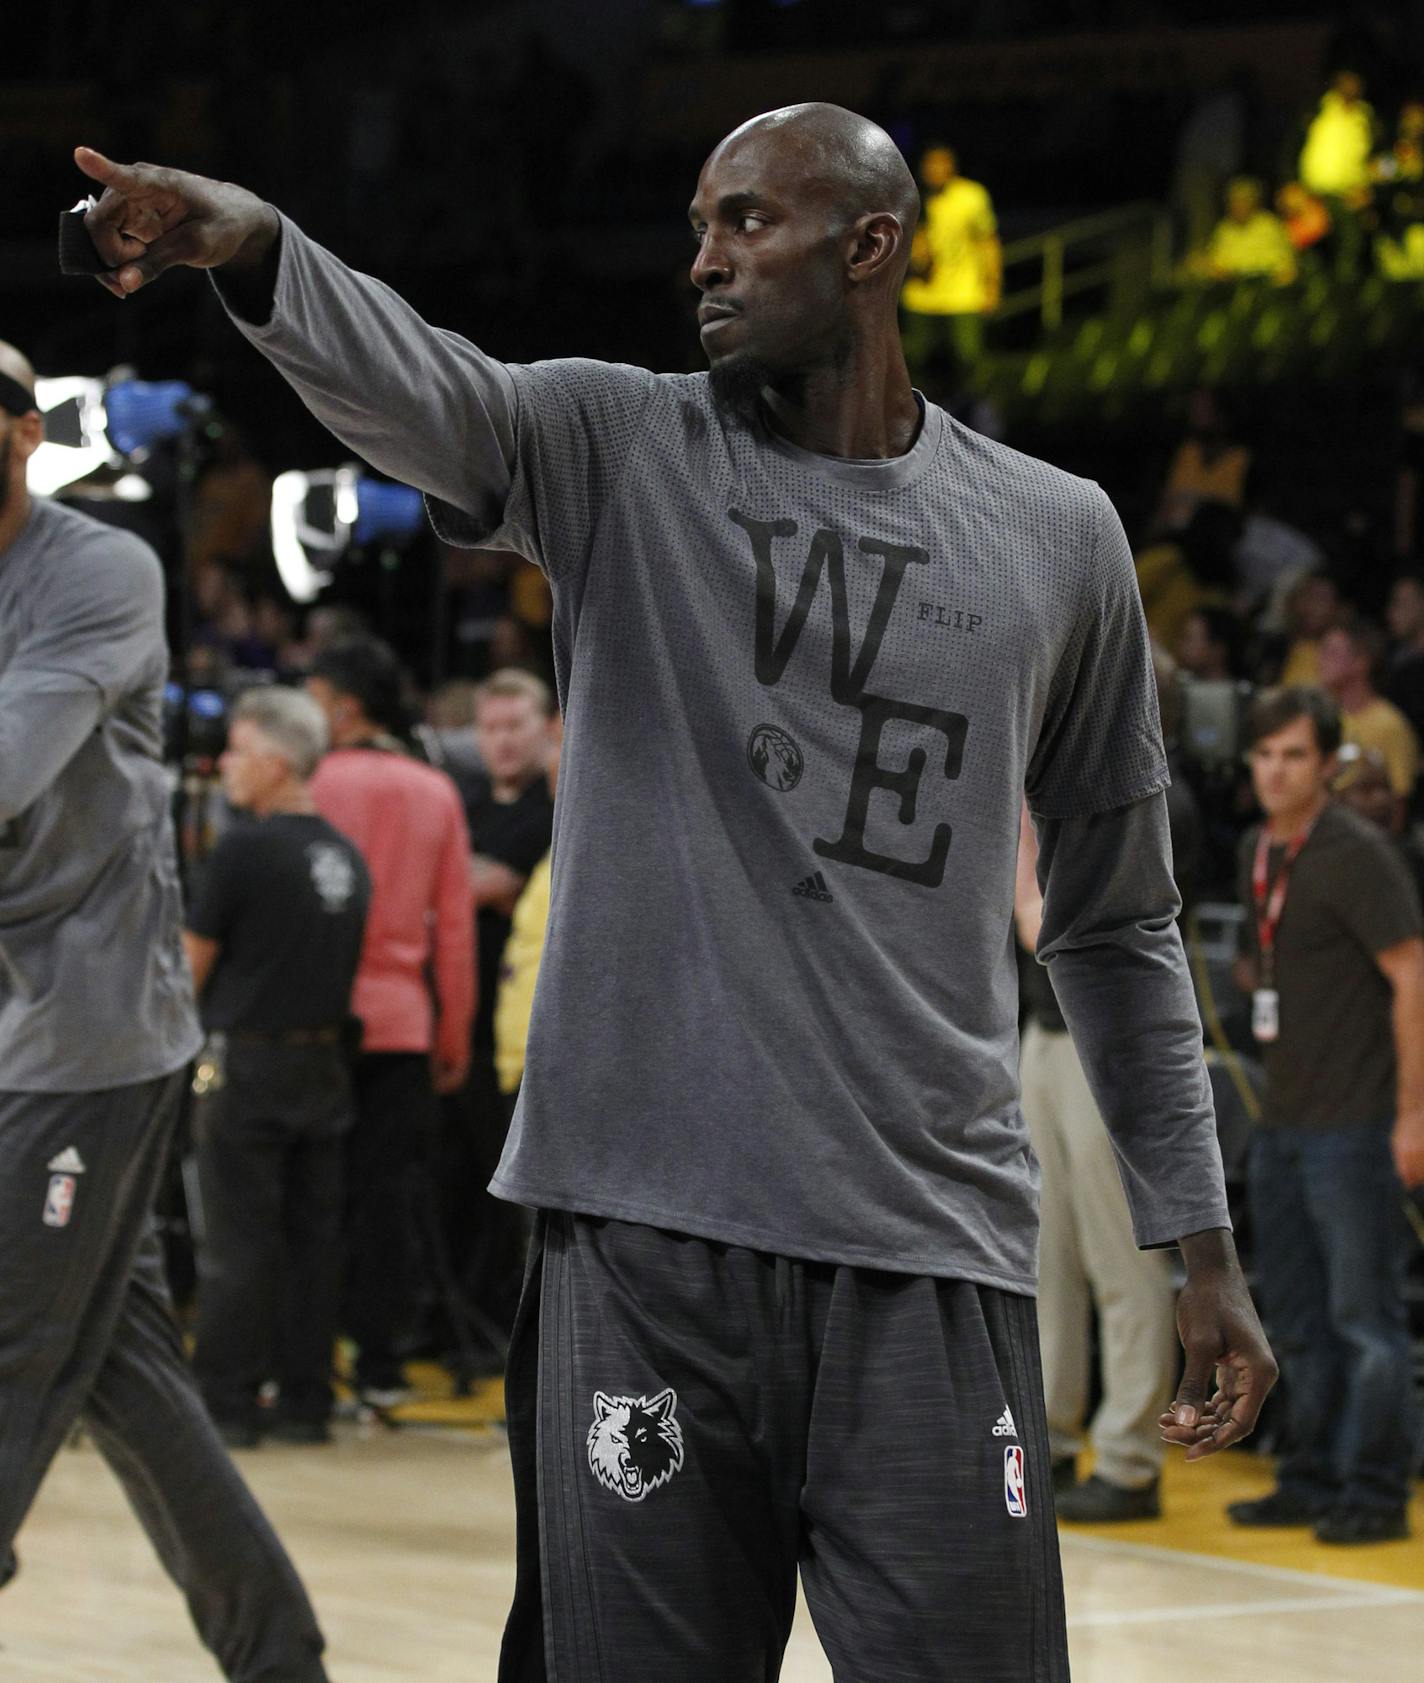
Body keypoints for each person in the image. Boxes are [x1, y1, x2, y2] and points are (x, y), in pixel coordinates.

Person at [73, 109, 1276, 1682]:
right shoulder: (618, 445)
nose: (703, 259)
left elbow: (1116, 923)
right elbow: (434, 387)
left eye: (749, 223)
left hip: (928, 1248)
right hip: (644, 1244)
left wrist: (1198, 1240)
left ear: (871, 247)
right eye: (699, 222)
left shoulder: (1060, 537)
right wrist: (263, 249)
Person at [0, 343, 329, 1679]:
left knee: (11, 1350)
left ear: (21, 432)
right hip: (21, 1030)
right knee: (125, 1371)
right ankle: (279, 1651)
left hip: (93, 1030)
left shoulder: (98, 570)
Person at [1231, 688, 1423, 1544]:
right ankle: (1307, 1474)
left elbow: (1413, 977)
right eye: (1265, 753)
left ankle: (1375, 1489)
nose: (1276, 770)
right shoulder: (1257, 847)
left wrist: (1413, 1115)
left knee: (1365, 1320)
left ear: (1328, 763)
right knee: (1299, 1319)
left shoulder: (1355, 850)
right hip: (1283, 1117)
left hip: (1355, 1121)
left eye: (1295, 755)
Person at [1014, 651, 1202, 1524]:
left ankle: (1130, 1457)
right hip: (1043, 1036)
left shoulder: (1157, 800)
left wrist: (1016, 837)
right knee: (1044, 1256)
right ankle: (1049, 1433)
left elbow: (1045, 924)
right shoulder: (1056, 784)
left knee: (1123, 1261)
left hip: (1111, 1052)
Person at [184, 687, 370, 1446]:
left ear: (273, 759)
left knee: (239, 1240)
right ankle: (304, 1401)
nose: (224, 765)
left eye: (235, 748)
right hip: (324, 1066)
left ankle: (225, 1402)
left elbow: (187, 971)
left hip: (250, 1066)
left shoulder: (243, 850)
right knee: (311, 1239)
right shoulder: (344, 855)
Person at [305, 635, 476, 1406]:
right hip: (404, 1023)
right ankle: (380, 1365)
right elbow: (458, 928)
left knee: (310, 1196)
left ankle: (307, 1363)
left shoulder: (311, 781)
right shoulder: (433, 789)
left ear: (343, 706)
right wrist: (454, 1032)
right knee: (386, 1200)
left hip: (316, 1019)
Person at [453, 668, 557, 1343]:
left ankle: (509, 1327)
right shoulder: (466, 804)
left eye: (516, 725)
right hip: (468, 1017)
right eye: (490, 728)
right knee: (461, 1178)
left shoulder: (551, 810)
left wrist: (444, 877)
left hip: (527, 1029)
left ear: (545, 729)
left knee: (510, 1190)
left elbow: (483, 884)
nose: (503, 741)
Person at [899, 143, 1001, 380]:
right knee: (919, 364)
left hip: (963, 296)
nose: (935, 170)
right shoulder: (911, 196)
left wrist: (992, 285)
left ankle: (970, 414)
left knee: (968, 361)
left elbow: (988, 242)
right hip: (921, 297)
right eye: (930, 164)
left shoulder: (972, 196)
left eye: (941, 163)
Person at [1317, 616, 1420, 812]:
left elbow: (1400, 805)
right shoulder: (1321, 718)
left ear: (1361, 662)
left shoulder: (1390, 725)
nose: (1321, 659)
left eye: (1332, 653)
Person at [1194, 177, 1297, 285]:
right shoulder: (1225, 229)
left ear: (1253, 202)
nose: (1239, 206)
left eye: (1243, 201)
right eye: (1235, 201)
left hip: (1266, 286)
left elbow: (1285, 262)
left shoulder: (1269, 226)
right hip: (1233, 286)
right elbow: (1217, 260)